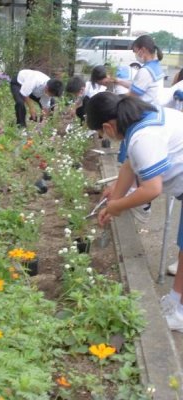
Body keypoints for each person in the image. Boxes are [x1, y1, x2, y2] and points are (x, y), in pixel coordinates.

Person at [86, 92, 183, 333]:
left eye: (101, 133)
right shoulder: (141, 119)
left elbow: (151, 189)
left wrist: (117, 206)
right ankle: (175, 300)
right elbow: (130, 166)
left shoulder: (143, 136)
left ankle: (180, 314)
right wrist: (115, 197)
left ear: (108, 126)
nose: (103, 136)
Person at [113, 35, 164, 105]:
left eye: (135, 51)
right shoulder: (156, 65)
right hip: (154, 106)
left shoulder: (146, 71)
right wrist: (118, 81)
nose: (135, 54)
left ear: (143, 50)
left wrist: (114, 97)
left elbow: (132, 95)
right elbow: (137, 85)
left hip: (143, 110)